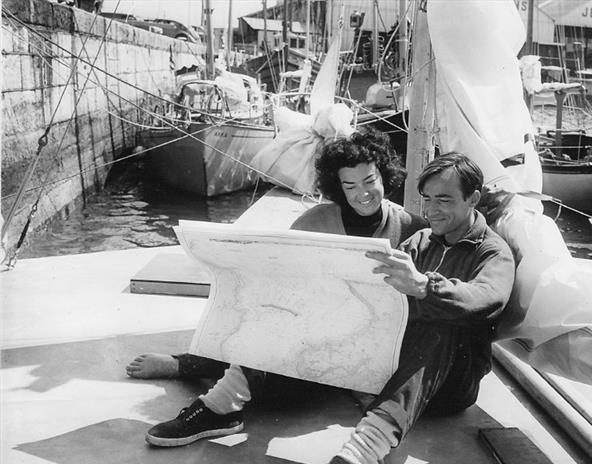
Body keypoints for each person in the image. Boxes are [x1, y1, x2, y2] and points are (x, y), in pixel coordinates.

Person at [144, 152, 515, 464]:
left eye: (445, 200)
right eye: (428, 200)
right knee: (311, 305)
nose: (433, 210)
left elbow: (484, 300)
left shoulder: (493, 253)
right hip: (389, 368)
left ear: (473, 199)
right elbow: (371, 300)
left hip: (447, 385)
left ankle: (361, 457)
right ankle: (221, 405)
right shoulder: (418, 242)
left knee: (442, 322)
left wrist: (423, 287)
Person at [125, 127, 426, 382]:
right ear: (338, 188)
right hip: (318, 322)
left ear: (384, 176)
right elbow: (282, 281)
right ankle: (184, 364)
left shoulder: (413, 227)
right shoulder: (314, 221)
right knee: (266, 332)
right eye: (350, 185)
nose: (362, 193)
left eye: (370, 181)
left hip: (377, 333)